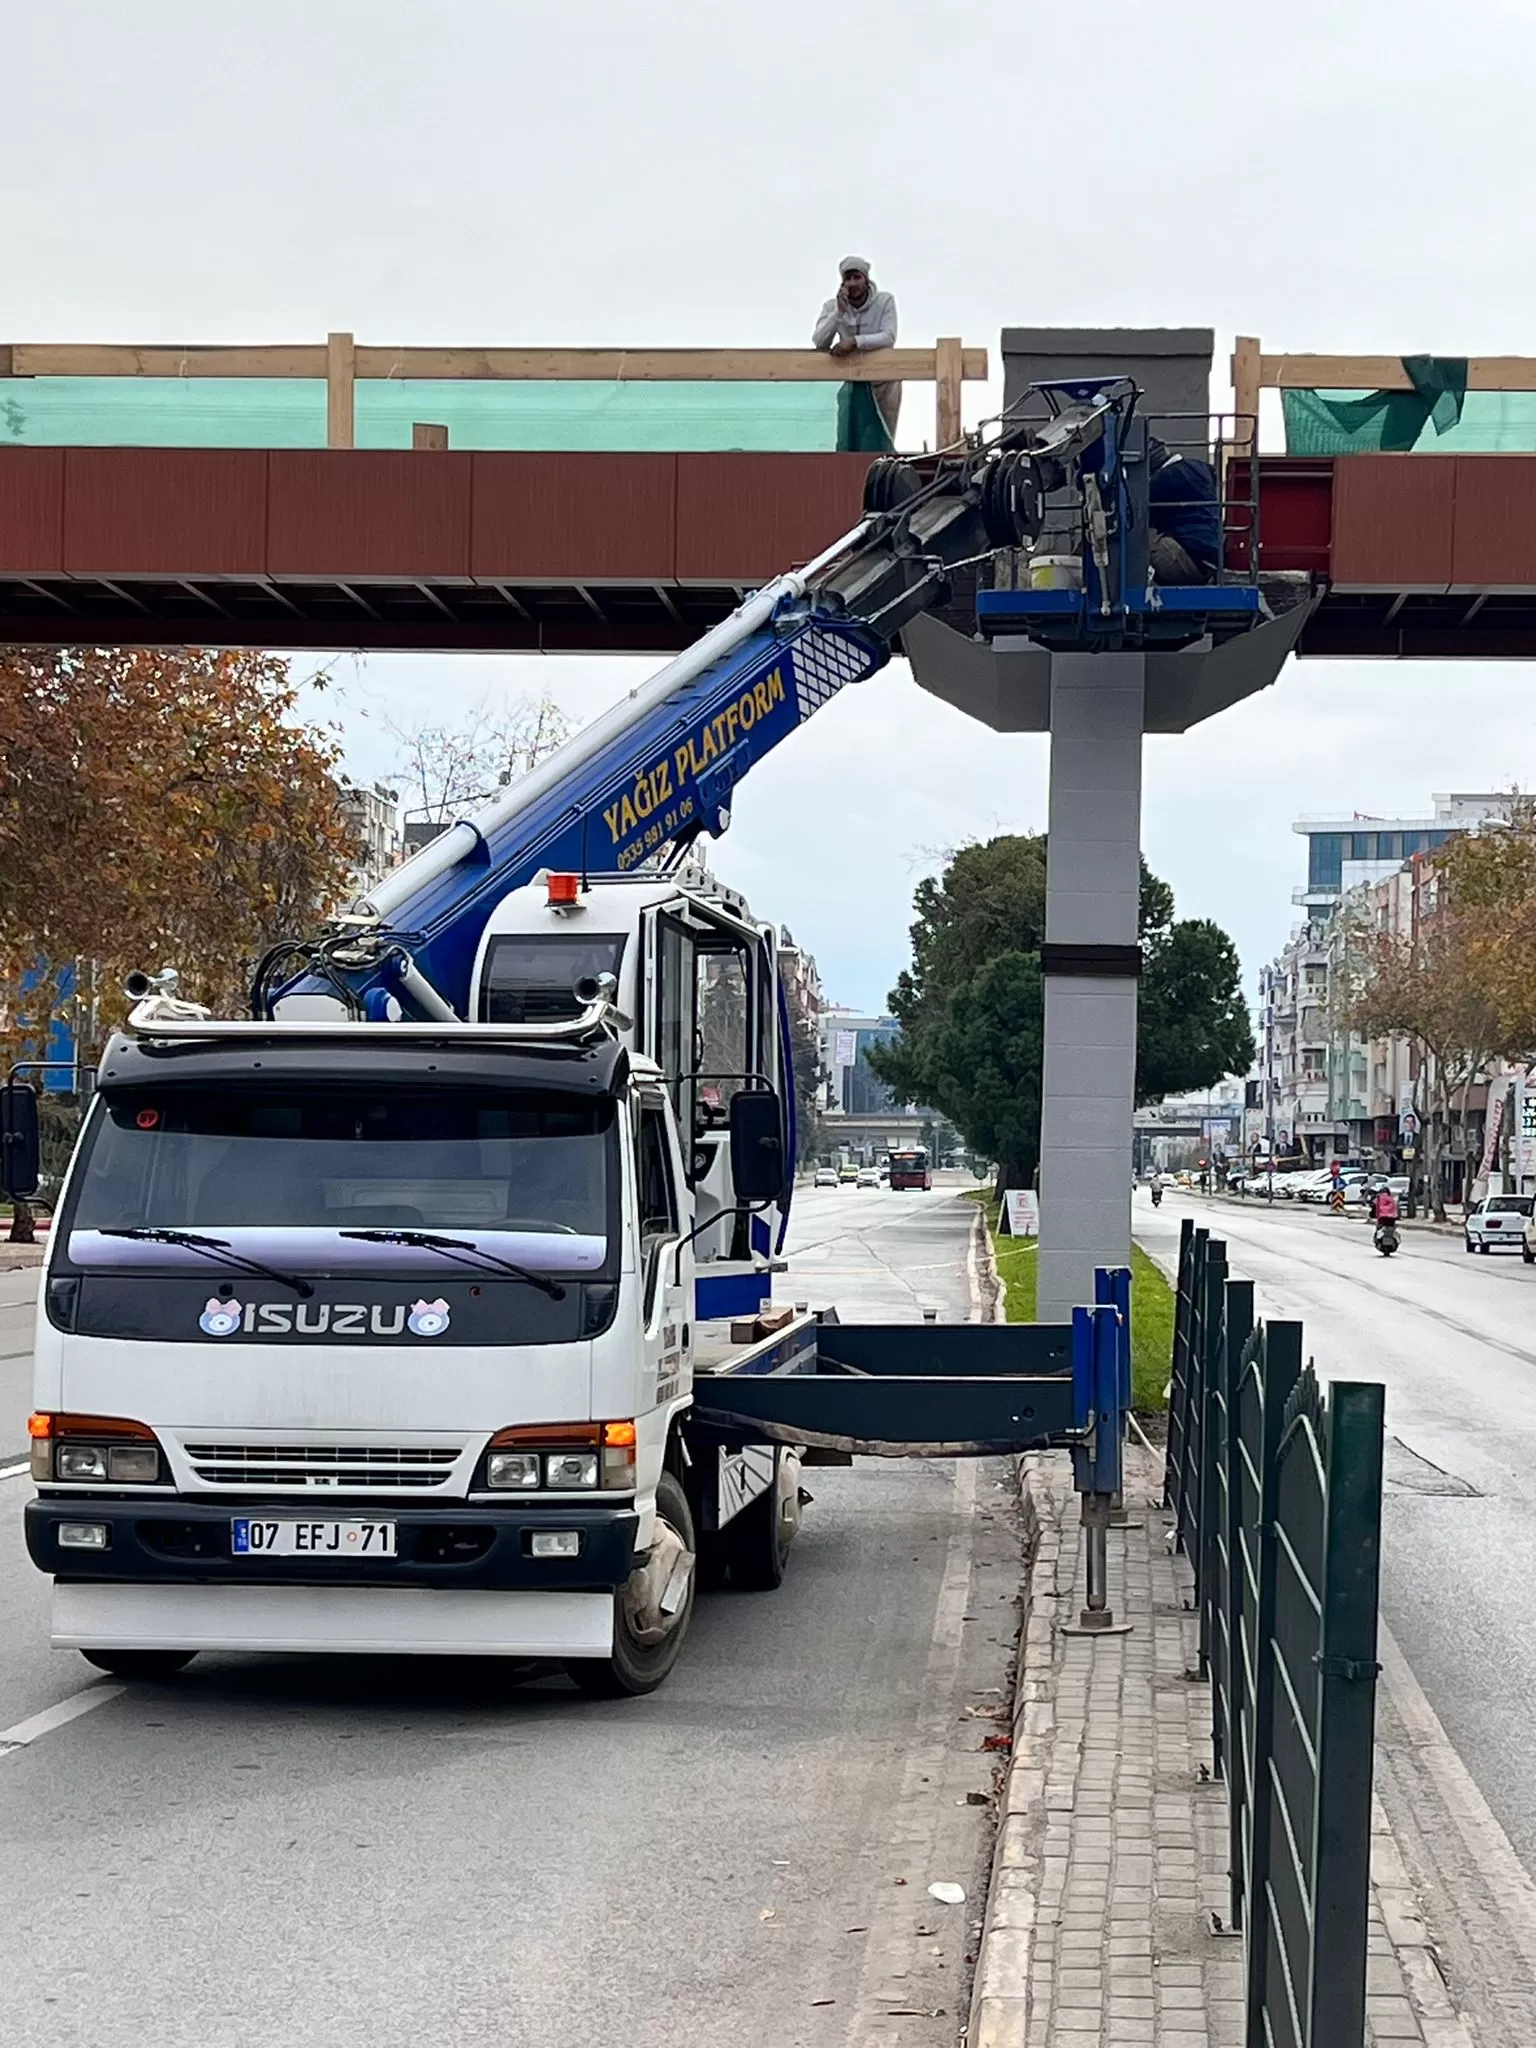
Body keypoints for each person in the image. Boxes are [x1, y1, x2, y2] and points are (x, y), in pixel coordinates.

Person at [813, 257, 899, 449]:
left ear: (866, 279)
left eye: (856, 277)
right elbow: (819, 342)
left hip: (884, 380)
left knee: (882, 435)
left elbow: (889, 336)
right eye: (847, 279)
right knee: (848, 437)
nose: (852, 284)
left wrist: (854, 342)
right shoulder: (831, 307)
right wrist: (839, 313)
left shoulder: (884, 301)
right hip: (852, 381)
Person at [1146, 434, 1221, 584]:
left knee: (1131, 537)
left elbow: (1136, 516)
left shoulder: (1161, 481)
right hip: (1211, 559)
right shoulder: (1199, 466)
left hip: (1187, 560)